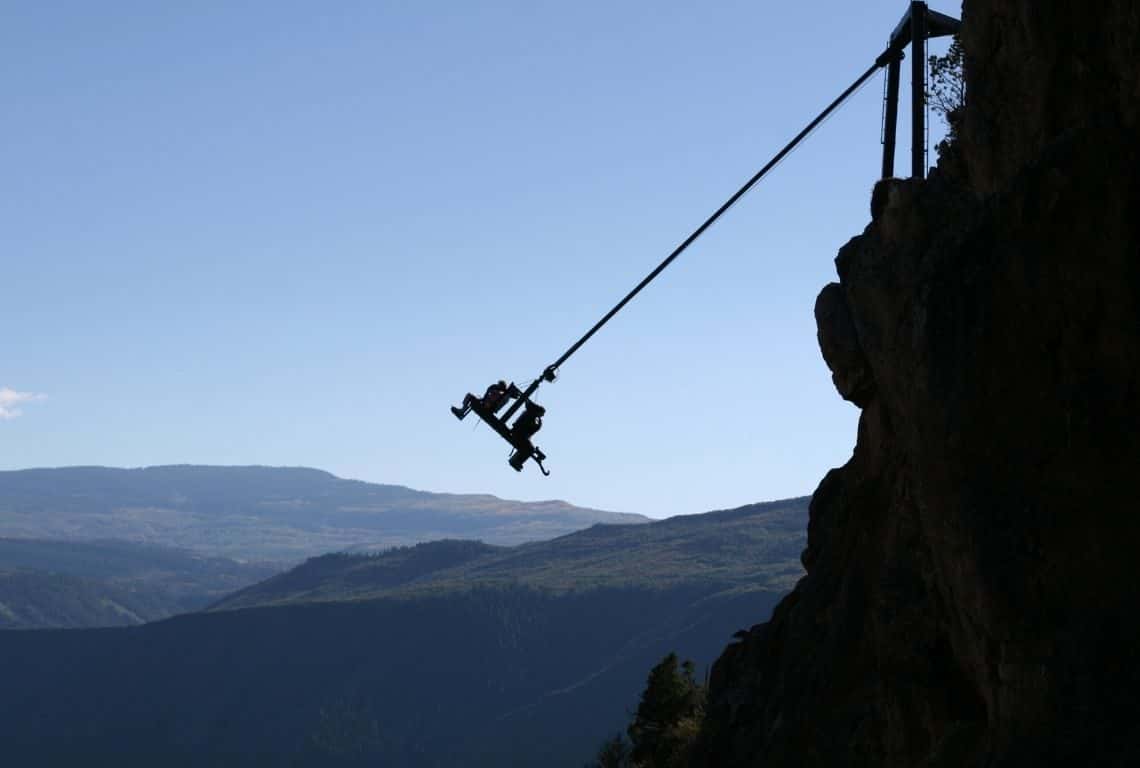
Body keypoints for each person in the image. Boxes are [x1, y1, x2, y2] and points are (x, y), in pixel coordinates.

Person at [451, 380, 517, 421]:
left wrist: (490, 390)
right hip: (486, 405)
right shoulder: (499, 394)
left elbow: (489, 401)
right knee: (471, 397)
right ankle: (462, 411)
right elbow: (487, 399)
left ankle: (462, 411)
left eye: (498, 385)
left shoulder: (497, 393)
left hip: (486, 407)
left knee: (469, 396)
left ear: (500, 386)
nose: (497, 385)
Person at [507, 402, 545, 471]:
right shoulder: (531, 415)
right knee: (530, 449)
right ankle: (516, 461)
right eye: (542, 414)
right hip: (519, 434)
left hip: (518, 433)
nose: (541, 416)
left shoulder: (530, 413)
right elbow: (529, 430)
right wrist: (538, 427)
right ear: (539, 412)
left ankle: (516, 461)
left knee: (529, 448)